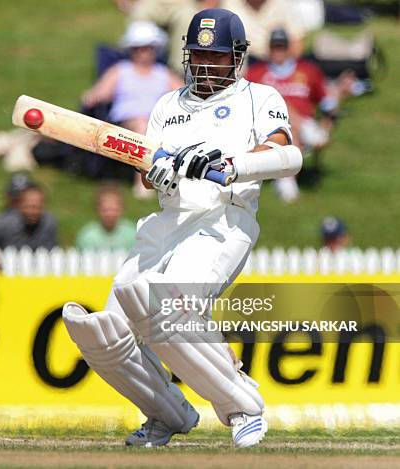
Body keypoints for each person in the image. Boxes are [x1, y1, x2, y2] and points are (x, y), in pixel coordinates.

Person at [62, 8, 302, 449]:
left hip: (222, 221)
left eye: (217, 57)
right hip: (166, 223)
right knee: (106, 332)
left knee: (169, 308)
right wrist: (158, 174)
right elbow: (144, 170)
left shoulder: (260, 98)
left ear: (237, 57)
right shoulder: (168, 104)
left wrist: (230, 165)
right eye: (199, 56)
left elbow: (287, 153)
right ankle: (165, 414)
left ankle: (243, 408)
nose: (207, 65)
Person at [245, 29, 355, 202]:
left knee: (290, 129)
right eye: (275, 47)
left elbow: (327, 102)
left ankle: (286, 183)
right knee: (279, 105)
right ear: (269, 49)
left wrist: (341, 93)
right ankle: (306, 132)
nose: (278, 52)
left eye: (281, 47)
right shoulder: (256, 73)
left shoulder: (308, 71)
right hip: (265, 126)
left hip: (298, 125)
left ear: (289, 48)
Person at [82, 21, 183, 198]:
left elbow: (183, 95)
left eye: (148, 48)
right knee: (142, 126)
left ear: (155, 49)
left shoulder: (163, 73)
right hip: (125, 124)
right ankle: (143, 181)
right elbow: (100, 93)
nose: (143, 52)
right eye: (139, 48)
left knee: (148, 125)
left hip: (158, 124)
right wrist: (93, 96)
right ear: (132, 49)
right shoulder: (120, 70)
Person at [0, 183, 58, 271]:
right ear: (19, 205)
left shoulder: (48, 223)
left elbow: (51, 253)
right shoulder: (3, 222)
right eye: (29, 207)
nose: (33, 212)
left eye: (38, 207)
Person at [220, 0, 305, 60]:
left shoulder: (284, 4)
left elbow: (297, 44)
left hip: (275, 63)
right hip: (243, 61)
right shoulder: (229, 3)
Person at [76, 183, 136, 251]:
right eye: (105, 210)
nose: (110, 214)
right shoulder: (87, 235)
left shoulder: (132, 234)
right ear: (97, 209)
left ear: (122, 209)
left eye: (114, 209)